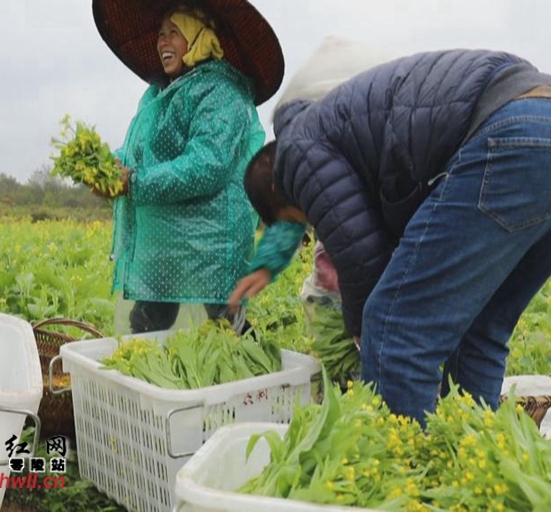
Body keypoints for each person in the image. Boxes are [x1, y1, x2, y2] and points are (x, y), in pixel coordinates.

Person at [230, 49, 551, 425]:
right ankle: (468, 462)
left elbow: (360, 254)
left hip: (509, 133)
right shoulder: (339, 129)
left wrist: (368, 337)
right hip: (533, 117)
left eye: (295, 219)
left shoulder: (296, 153)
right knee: (478, 331)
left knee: (393, 328)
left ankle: (403, 475)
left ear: (277, 188)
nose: (309, 223)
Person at [91, 0, 284, 333]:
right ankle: (146, 383)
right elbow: (139, 150)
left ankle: (253, 382)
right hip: (165, 235)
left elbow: (207, 164)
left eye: (174, 33)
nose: (162, 42)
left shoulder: (223, 91)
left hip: (210, 236)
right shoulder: (158, 95)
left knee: (225, 322)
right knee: (147, 321)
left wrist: (135, 183)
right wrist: (110, 170)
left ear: (198, 37)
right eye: (161, 34)